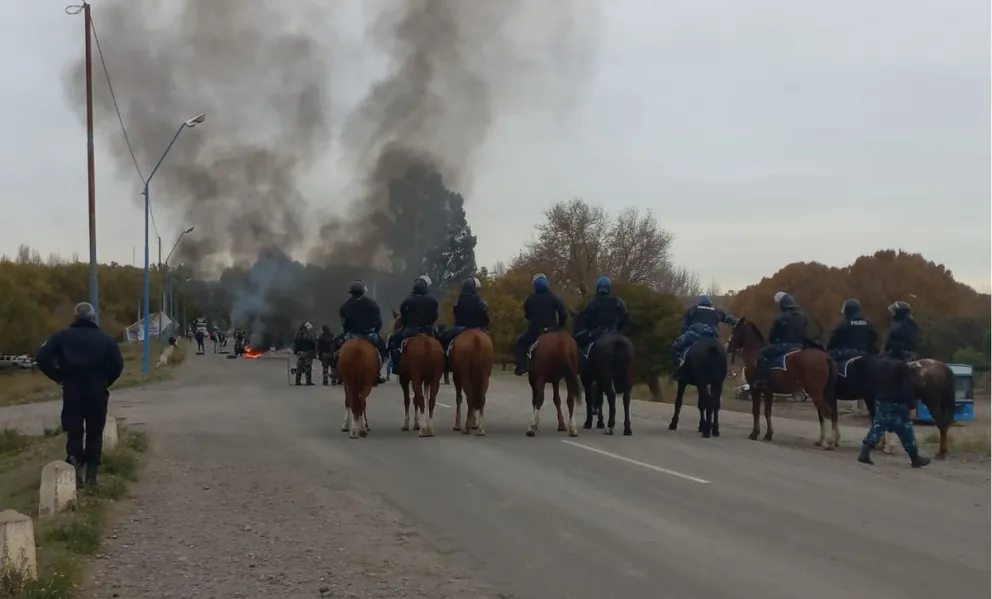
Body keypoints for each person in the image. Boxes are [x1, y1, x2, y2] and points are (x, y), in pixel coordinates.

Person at [35, 302, 125, 488]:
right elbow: (117, 365)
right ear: (93, 318)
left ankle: (74, 471)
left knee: (74, 431)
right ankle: (92, 474)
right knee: (95, 432)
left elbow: (42, 357)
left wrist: (58, 376)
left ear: (75, 317)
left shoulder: (62, 336)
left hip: (72, 388)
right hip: (96, 390)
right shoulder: (105, 340)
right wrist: (106, 381)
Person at [858, 356, 930, 467]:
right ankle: (915, 458)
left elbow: (872, 382)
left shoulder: (879, 364)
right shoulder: (902, 366)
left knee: (878, 426)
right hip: (898, 402)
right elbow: (906, 387)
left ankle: (865, 452)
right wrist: (912, 406)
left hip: (882, 400)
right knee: (906, 430)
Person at [334, 280, 388, 384]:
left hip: (351, 335)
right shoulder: (372, 304)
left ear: (351, 292)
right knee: (383, 347)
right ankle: (378, 373)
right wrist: (375, 331)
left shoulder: (346, 305)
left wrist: (345, 331)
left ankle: (337, 370)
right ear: (363, 291)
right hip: (369, 335)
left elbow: (344, 321)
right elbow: (379, 322)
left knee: (335, 345)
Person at [670, 294, 737, 376]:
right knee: (723, 350)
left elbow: (684, 324)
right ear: (710, 303)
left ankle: (678, 369)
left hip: (694, 334)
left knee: (675, 346)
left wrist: (684, 332)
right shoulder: (717, 311)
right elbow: (730, 319)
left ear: (699, 302)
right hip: (712, 336)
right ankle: (726, 370)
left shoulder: (693, 310)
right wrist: (738, 322)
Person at [514, 273, 567, 376]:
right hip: (552, 330)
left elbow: (527, 315)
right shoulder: (554, 297)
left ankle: (522, 366)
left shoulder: (530, 298)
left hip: (535, 331)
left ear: (535, 285)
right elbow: (563, 312)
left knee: (520, 342)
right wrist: (560, 326)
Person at [753, 293, 809, 390]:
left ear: (782, 305)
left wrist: (775, 341)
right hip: (800, 346)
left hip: (785, 346)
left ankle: (762, 381)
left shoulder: (781, 318)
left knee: (761, 353)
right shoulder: (802, 317)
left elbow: (772, 337)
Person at [387, 276, 439, 365]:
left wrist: (406, 325)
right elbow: (435, 316)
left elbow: (403, 315)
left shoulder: (407, 300)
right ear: (426, 288)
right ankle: (442, 364)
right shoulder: (433, 301)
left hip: (409, 331)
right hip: (428, 331)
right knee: (441, 342)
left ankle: (397, 364)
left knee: (392, 340)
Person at [575, 276, 629, 356]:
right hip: (615, 332)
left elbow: (587, 320)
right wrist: (619, 330)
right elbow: (625, 318)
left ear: (598, 288)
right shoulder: (619, 302)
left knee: (583, 351)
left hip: (597, 333)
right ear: (609, 288)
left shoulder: (592, 302)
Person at [441, 277, 491, 356]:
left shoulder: (458, 301)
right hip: (478, 329)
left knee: (444, 336)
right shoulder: (481, 302)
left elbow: (456, 314)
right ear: (473, 289)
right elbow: (485, 318)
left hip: (459, 329)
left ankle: (445, 355)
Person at [827, 298, 879, 363]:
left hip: (847, 355)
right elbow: (874, 339)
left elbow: (833, 341)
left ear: (848, 311)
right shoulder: (869, 323)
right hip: (867, 354)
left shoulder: (843, 324)